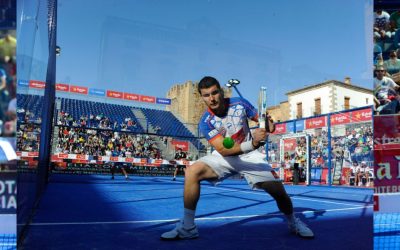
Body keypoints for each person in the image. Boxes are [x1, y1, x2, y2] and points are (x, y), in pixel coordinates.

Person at [161, 76, 314, 240]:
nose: (212, 98)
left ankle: (293, 222)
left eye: (214, 93)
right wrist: (254, 142)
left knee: (279, 192)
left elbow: (266, 124)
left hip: (250, 157)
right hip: (224, 157)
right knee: (192, 171)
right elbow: (223, 150)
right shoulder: (205, 122)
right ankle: (188, 228)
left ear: (221, 91)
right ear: (202, 97)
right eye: (206, 95)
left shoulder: (240, 103)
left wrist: (269, 124)